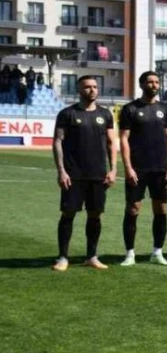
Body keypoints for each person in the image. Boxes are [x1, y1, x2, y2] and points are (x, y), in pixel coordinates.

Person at [52, 75, 117, 271]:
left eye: (95, 87)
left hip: (98, 174)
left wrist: (113, 169)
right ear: (79, 90)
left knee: (95, 215)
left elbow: (111, 143)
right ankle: (63, 257)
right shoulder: (67, 114)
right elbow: (57, 142)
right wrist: (61, 171)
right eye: (87, 87)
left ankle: (92, 256)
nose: (92, 90)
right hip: (74, 174)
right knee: (68, 214)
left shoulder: (106, 114)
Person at [118, 71, 167, 267]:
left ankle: (157, 252)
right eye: (150, 82)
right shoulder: (130, 109)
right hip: (138, 169)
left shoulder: (165, 109)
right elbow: (123, 139)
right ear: (142, 84)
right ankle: (130, 253)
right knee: (133, 209)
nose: (154, 85)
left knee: (161, 209)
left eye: (157, 82)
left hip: (160, 169)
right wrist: (128, 167)